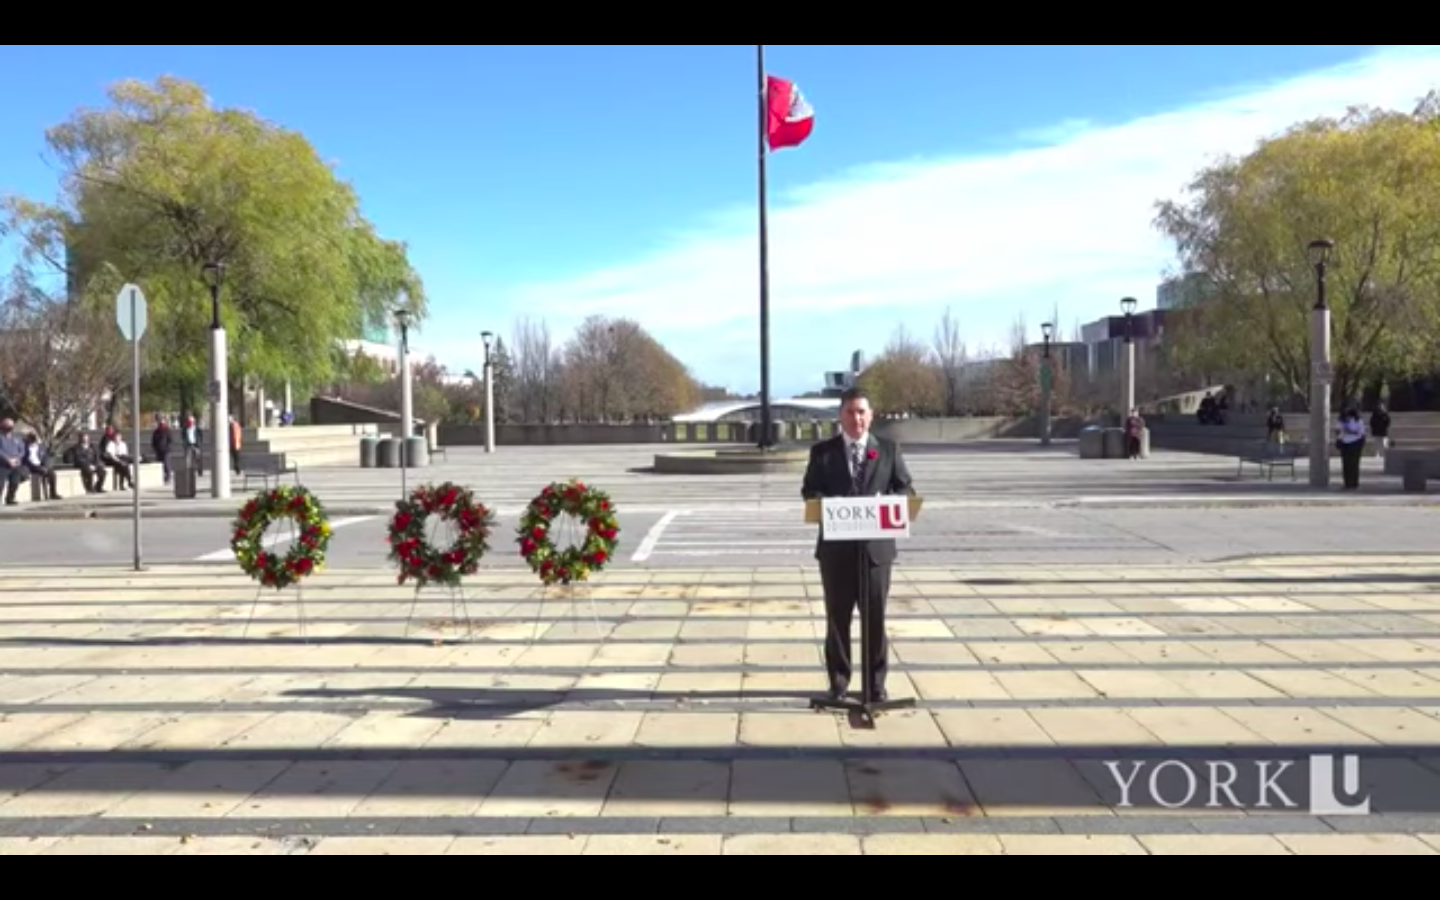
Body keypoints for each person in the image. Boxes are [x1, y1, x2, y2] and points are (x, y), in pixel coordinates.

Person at [801, 388, 915, 703]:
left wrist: (891, 502)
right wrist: (830, 504)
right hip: (836, 553)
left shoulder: (889, 451)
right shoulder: (822, 453)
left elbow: (905, 488)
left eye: (862, 412)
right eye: (850, 412)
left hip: (876, 553)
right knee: (837, 620)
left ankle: (875, 685)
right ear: (841, 416)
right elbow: (810, 492)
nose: (857, 418)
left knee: (875, 619)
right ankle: (838, 682)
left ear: (871, 415)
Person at [1336, 406, 1367, 490]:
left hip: (1355, 443)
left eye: (1349, 416)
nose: (1347, 418)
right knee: (1346, 464)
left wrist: (1350, 430)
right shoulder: (1341, 421)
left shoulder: (1358, 421)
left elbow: (1361, 433)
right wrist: (1340, 431)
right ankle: (1347, 482)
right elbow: (1338, 432)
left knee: (1354, 463)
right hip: (1344, 443)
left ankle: (1354, 482)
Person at [0, 418, 29, 506]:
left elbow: (22, 450)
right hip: (2, 465)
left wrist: (17, 459)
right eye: (7, 425)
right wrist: (7, 459)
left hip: (16, 464)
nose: (9, 427)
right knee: (0, 484)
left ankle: (10, 499)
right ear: (2, 426)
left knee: (15, 482)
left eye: (11, 425)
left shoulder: (17, 437)